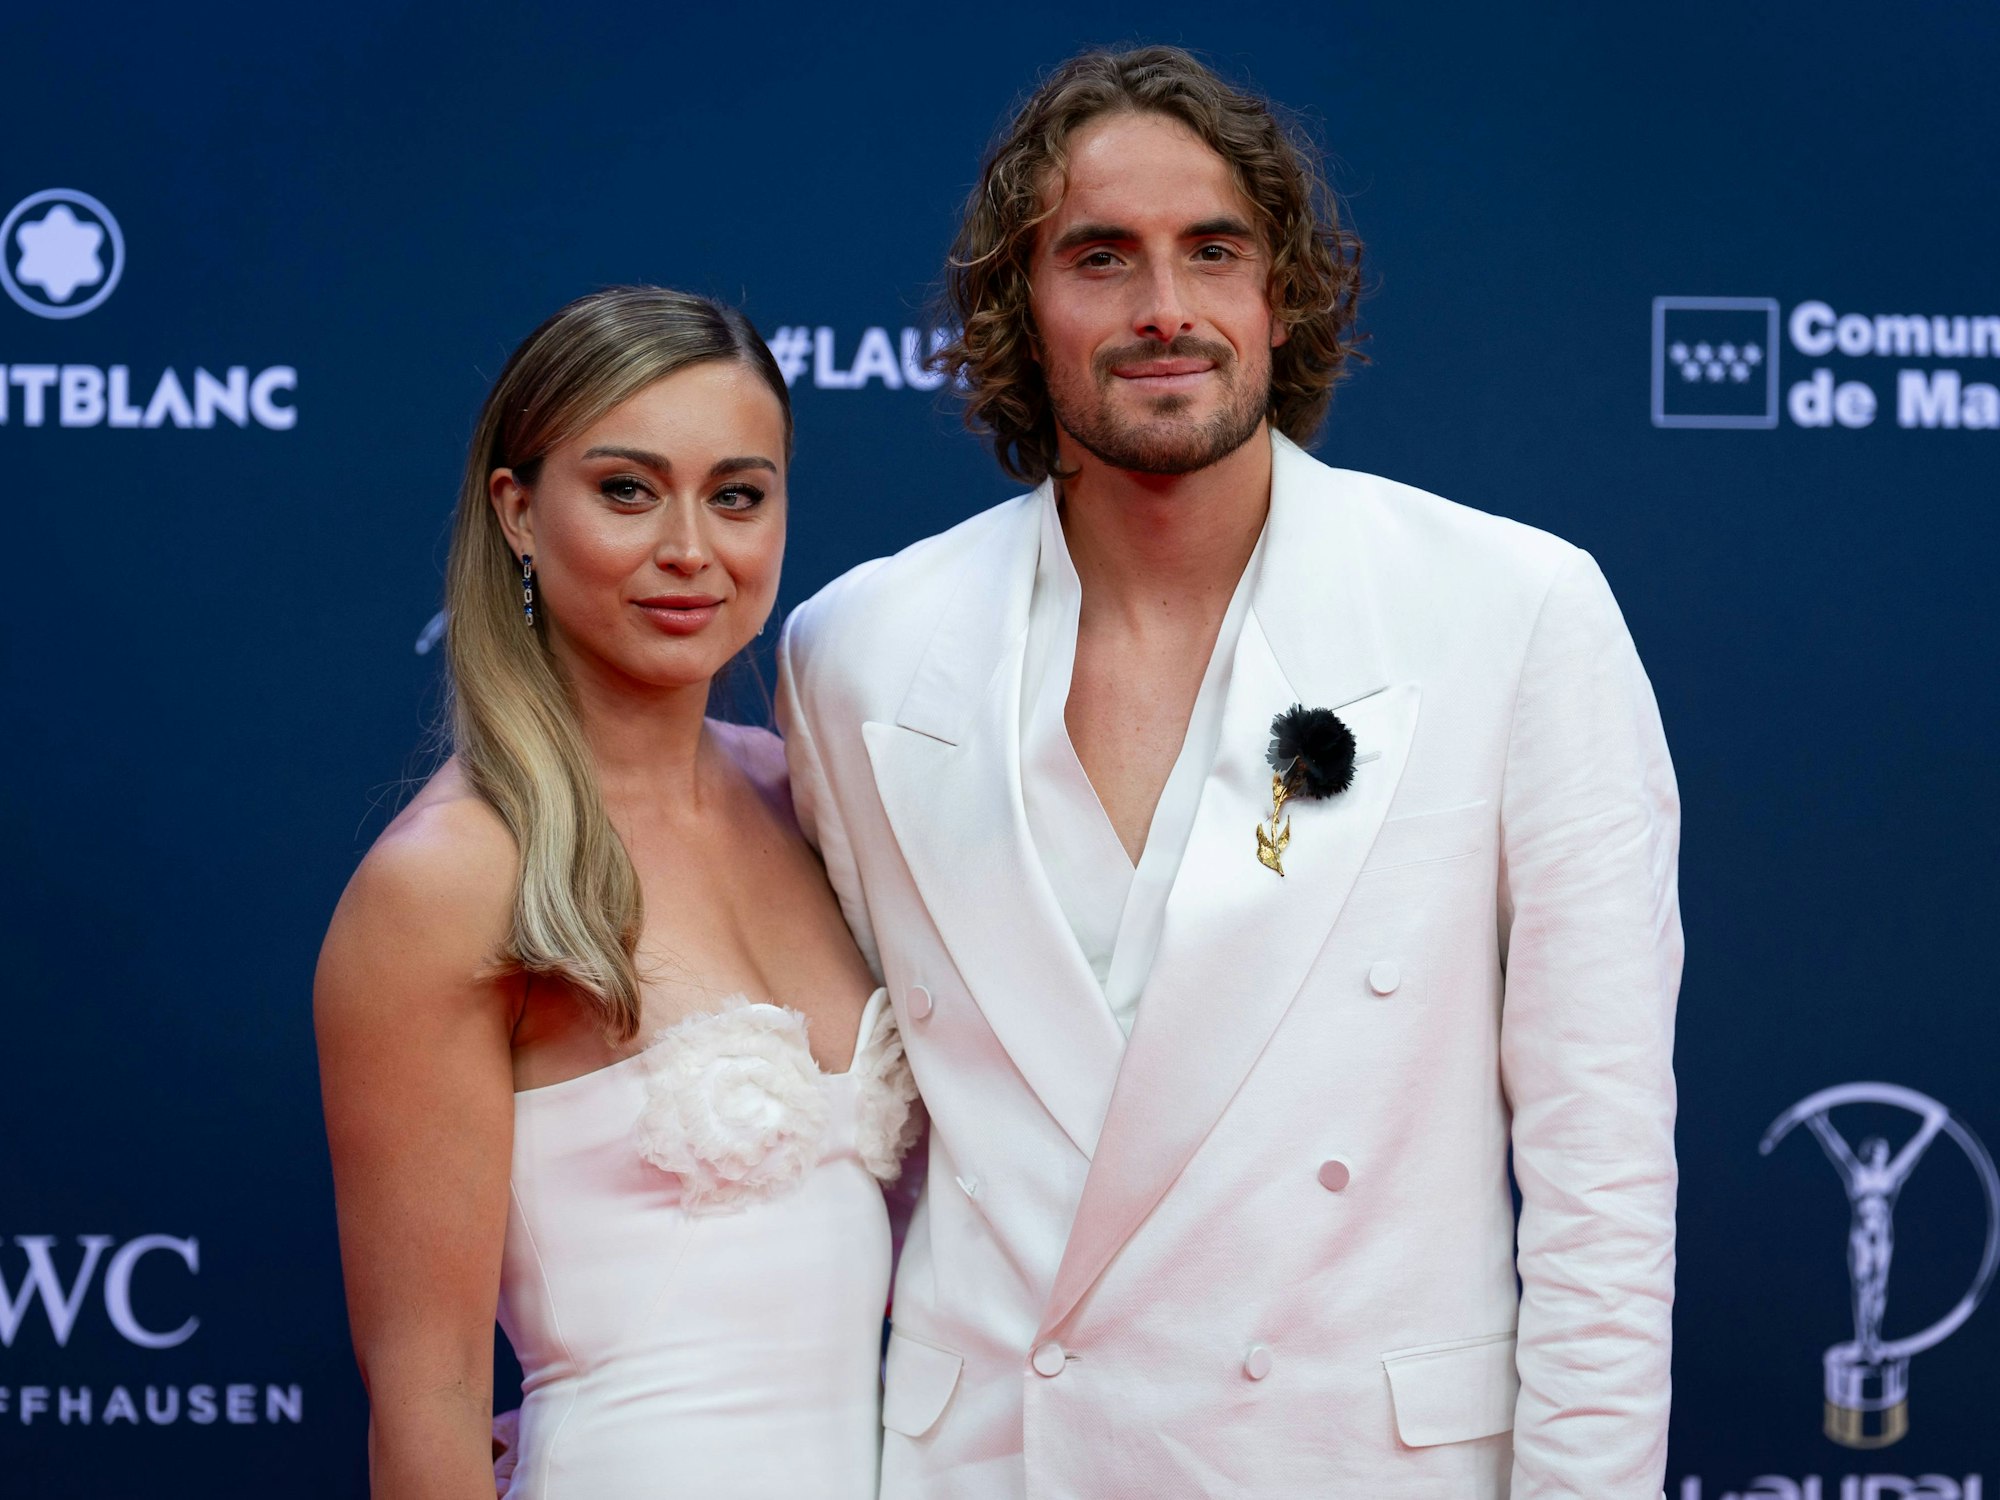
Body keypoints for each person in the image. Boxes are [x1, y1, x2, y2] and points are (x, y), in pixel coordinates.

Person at [776, 46, 1681, 1499]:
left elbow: (1604, 1178)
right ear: (1019, 307)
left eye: (1214, 252)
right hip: (991, 1466)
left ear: (1282, 296)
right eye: (1099, 257)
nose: (1164, 311)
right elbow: (858, 1160)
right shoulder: (860, 649)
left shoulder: (1511, 611)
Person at [315, 286, 918, 1500]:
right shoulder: (449, 881)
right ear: (519, 514)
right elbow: (425, 1401)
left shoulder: (802, 801)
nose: (691, 548)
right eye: (627, 491)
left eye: (736, 495)